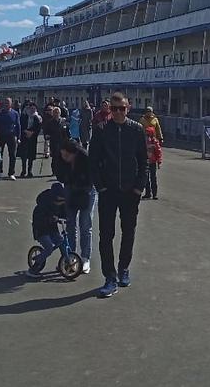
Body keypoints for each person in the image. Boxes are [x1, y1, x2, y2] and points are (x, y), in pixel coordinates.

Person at [89, 92, 148, 298]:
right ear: (109, 110)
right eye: (114, 109)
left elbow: (144, 161)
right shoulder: (101, 130)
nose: (117, 112)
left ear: (128, 108)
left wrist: (139, 188)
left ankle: (124, 269)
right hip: (108, 191)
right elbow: (93, 161)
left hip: (130, 191)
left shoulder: (136, 129)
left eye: (121, 108)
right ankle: (110, 277)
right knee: (106, 235)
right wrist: (100, 186)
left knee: (128, 232)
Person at [55, 139, 95, 274]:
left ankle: (85, 258)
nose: (64, 158)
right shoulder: (61, 159)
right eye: (62, 155)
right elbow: (59, 175)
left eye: (67, 155)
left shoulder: (86, 158)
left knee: (85, 224)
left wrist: (80, 183)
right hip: (70, 189)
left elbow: (91, 177)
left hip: (86, 191)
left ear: (74, 153)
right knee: (70, 224)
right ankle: (70, 257)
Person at [27, 182, 70, 279]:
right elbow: (39, 220)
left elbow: (64, 214)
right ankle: (34, 268)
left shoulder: (61, 203)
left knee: (61, 241)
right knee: (49, 248)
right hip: (41, 230)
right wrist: (51, 218)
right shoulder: (42, 206)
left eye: (62, 201)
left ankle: (65, 262)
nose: (61, 203)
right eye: (59, 201)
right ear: (53, 198)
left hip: (52, 229)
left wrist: (66, 218)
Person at [0, 98, 20, 179]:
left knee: (12, 155)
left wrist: (18, 137)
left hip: (11, 136)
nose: (6, 104)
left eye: (8, 103)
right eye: (5, 102)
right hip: (1, 136)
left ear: (11, 104)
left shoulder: (15, 113)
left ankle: (11, 173)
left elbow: (18, 125)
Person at [41, 105, 68, 177]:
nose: (56, 114)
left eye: (57, 112)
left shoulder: (63, 121)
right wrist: (46, 135)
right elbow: (46, 131)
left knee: (62, 158)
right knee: (55, 158)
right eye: (55, 112)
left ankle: (62, 171)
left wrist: (68, 140)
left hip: (62, 142)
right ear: (53, 113)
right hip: (54, 142)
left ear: (60, 113)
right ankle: (54, 171)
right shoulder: (50, 122)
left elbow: (67, 132)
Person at [19, 101, 42, 178]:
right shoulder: (24, 116)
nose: (32, 110)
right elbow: (21, 125)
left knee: (31, 155)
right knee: (24, 155)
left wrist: (32, 133)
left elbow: (38, 128)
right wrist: (25, 131)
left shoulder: (37, 117)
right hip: (24, 136)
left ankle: (30, 171)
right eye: (30, 108)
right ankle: (23, 170)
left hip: (32, 137)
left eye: (33, 108)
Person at [144, 125, 163, 200]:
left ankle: (154, 194)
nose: (147, 135)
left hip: (152, 162)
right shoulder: (143, 141)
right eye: (146, 133)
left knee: (153, 178)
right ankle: (148, 193)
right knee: (146, 178)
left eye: (148, 133)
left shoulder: (155, 142)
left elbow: (158, 152)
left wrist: (159, 161)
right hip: (145, 161)